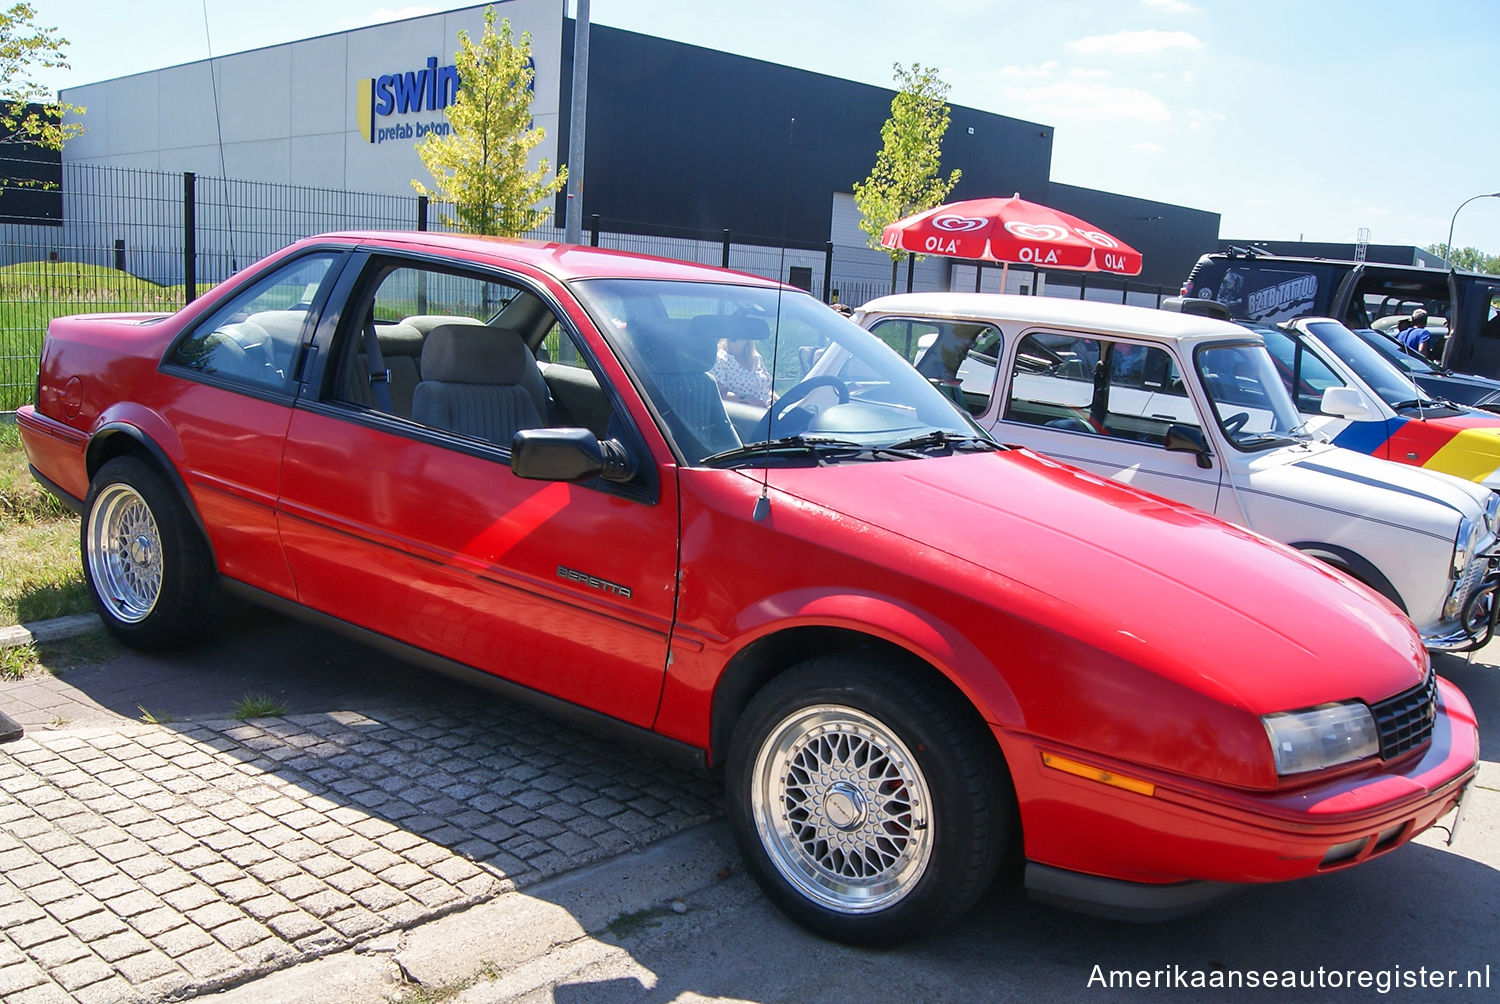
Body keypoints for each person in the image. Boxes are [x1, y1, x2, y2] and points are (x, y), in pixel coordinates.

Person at [711, 335, 773, 407]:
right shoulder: (720, 359)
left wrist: (780, 402)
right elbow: (719, 394)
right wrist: (748, 399)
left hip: (771, 410)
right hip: (749, 413)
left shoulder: (756, 357)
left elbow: (768, 388)